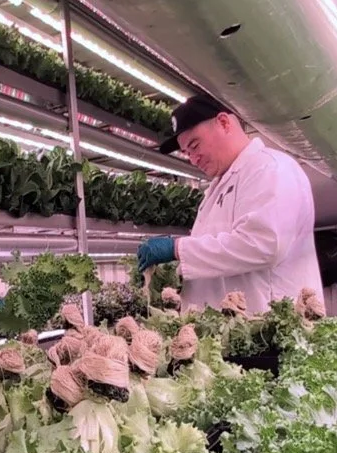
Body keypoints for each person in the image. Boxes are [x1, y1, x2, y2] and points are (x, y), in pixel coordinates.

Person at [136, 95, 322, 315]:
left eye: (194, 145)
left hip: (266, 322)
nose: (193, 159)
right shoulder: (220, 185)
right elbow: (219, 254)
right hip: (232, 325)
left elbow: (264, 244)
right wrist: (177, 273)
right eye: (187, 153)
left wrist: (178, 249)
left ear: (224, 123)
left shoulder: (269, 168)